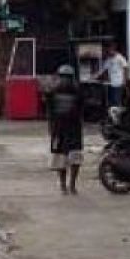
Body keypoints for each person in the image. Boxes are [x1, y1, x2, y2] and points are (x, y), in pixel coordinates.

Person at [46, 65, 86, 195]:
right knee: (63, 158)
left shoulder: (54, 91)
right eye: (64, 78)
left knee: (69, 157)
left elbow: (50, 112)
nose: (65, 80)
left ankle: (69, 185)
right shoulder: (76, 91)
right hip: (66, 129)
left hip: (66, 129)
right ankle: (67, 185)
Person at [96, 41, 129, 108]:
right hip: (111, 84)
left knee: (117, 102)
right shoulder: (108, 59)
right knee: (112, 102)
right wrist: (95, 76)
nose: (108, 52)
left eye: (109, 50)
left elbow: (126, 68)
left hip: (118, 84)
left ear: (113, 49)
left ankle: (118, 115)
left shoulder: (120, 57)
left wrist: (125, 81)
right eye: (107, 50)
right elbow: (102, 70)